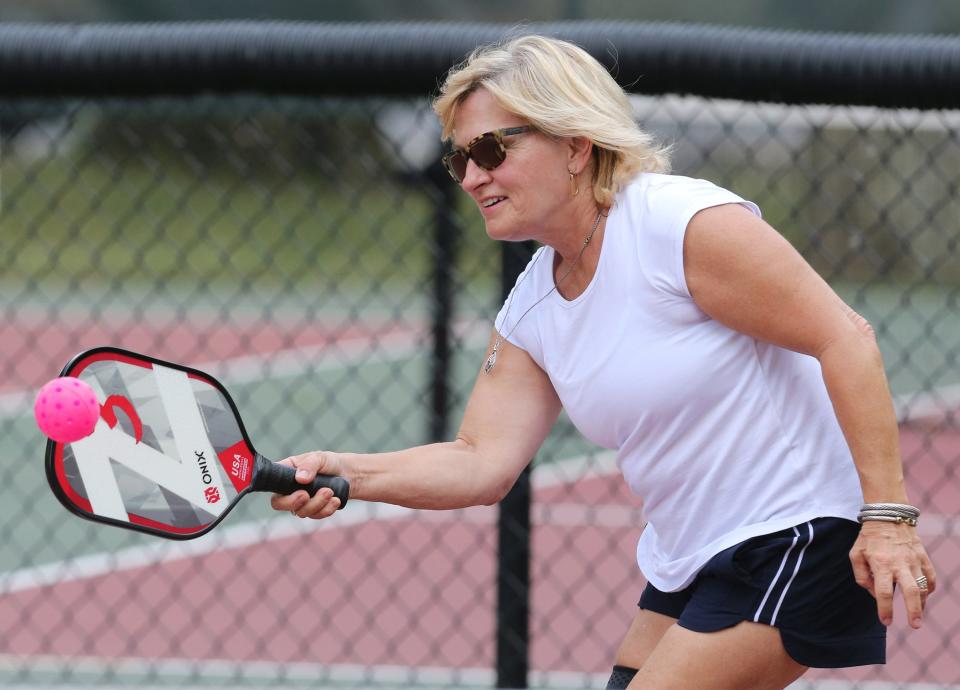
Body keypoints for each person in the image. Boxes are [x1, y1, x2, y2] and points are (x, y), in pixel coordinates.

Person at [271, 35, 936, 690]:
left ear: (575, 145)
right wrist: (349, 472)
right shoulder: (532, 305)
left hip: (802, 533)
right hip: (696, 557)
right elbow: (480, 460)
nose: (473, 176)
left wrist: (888, 518)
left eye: (491, 149)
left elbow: (845, 339)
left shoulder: (680, 224)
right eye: (458, 160)